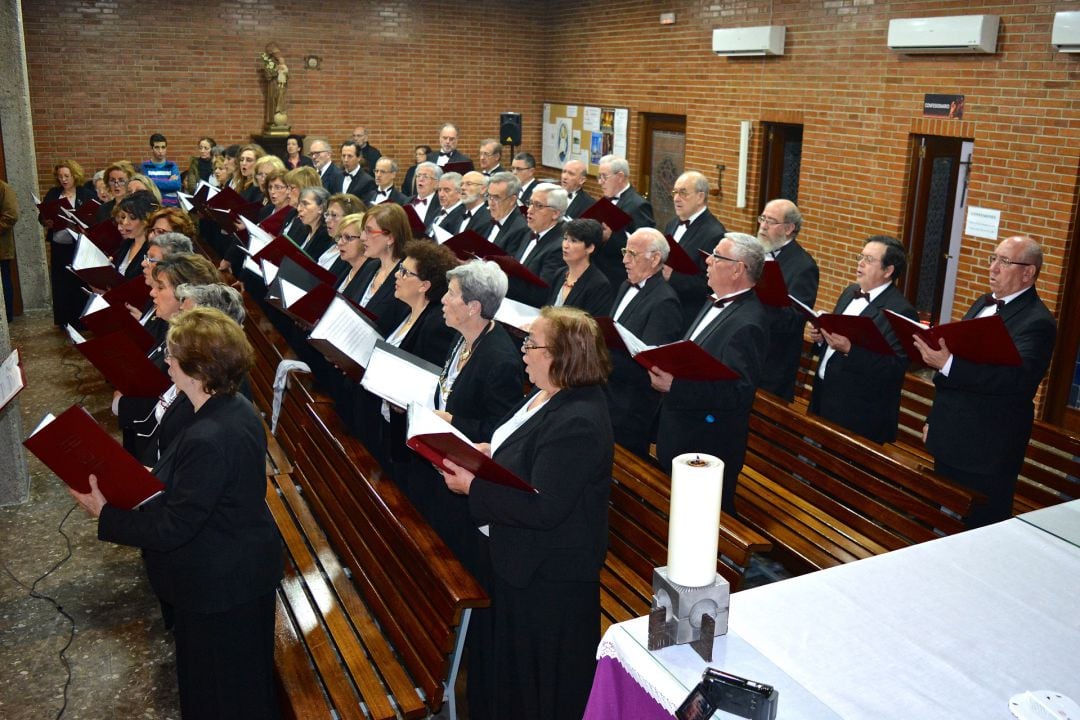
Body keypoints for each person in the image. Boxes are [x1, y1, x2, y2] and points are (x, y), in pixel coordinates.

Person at [70, 307, 282, 719]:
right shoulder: (231, 407)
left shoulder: (210, 433)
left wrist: (105, 512)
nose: (166, 360)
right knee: (238, 685)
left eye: (172, 354)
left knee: (221, 693)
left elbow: (173, 527)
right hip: (238, 566)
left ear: (198, 368)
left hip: (221, 584)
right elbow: (197, 490)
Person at [441, 305, 613, 720]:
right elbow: (521, 453)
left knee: (536, 686)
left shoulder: (579, 420)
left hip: (549, 579)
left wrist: (473, 486)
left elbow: (546, 506)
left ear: (559, 355)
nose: (522, 351)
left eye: (531, 344)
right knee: (509, 672)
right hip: (520, 558)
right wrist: (486, 452)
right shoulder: (545, 395)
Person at [915, 235, 1057, 528]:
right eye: (993, 259)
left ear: (1028, 272)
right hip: (951, 436)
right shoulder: (983, 303)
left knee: (976, 529)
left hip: (987, 448)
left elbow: (1016, 380)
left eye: (1004, 262)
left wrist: (948, 364)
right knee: (937, 520)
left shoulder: (1037, 322)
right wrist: (935, 419)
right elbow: (951, 371)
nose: (992, 268)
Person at [652, 232, 770, 513]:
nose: (707, 262)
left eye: (716, 257)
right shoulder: (714, 300)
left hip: (706, 443)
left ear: (738, 269)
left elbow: (738, 393)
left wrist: (675, 385)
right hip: (682, 429)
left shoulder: (748, 323)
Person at [808, 236, 918, 444]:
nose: (860, 263)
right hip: (823, 393)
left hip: (857, 410)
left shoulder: (901, 311)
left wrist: (850, 349)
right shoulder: (850, 292)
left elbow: (894, 368)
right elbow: (834, 340)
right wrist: (821, 339)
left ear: (888, 271)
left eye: (869, 259)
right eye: (861, 256)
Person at [379, 240, 461, 481]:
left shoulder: (436, 324)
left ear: (424, 285)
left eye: (405, 272)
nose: (398, 275)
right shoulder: (403, 309)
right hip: (384, 418)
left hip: (404, 437)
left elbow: (429, 384)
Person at [604, 227, 682, 458]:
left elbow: (648, 364)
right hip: (608, 391)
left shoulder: (665, 302)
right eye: (624, 252)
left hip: (629, 406)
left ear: (655, 258)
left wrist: (599, 362)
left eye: (632, 254)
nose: (624, 260)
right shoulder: (625, 285)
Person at [757, 198, 819, 401]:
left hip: (773, 363)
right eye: (763, 218)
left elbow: (794, 318)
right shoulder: (756, 252)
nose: (763, 226)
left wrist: (763, 296)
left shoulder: (803, 266)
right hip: (751, 351)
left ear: (789, 228)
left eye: (771, 221)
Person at [663, 171, 727, 327]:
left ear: (700, 197)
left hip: (687, 314)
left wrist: (672, 277)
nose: (676, 198)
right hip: (666, 306)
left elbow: (709, 285)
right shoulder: (671, 224)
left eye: (683, 193)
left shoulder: (714, 233)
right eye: (675, 192)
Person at [39, 159, 96, 327]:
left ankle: (82, 320)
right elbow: (42, 216)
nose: (63, 180)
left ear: (74, 176)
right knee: (61, 283)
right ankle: (64, 320)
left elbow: (93, 216)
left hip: (79, 245)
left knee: (78, 282)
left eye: (67, 176)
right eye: (60, 176)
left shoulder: (85, 194)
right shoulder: (53, 193)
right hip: (59, 244)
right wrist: (46, 221)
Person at [594, 154, 655, 286]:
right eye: (599, 177)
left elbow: (645, 246)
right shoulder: (605, 201)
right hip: (599, 271)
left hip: (619, 276)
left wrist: (611, 237)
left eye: (604, 177)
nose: (600, 182)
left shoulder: (638, 205)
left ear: (620, 176)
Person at [508, 182, 567, 306]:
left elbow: (541, 294)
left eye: (538, 206)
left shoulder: (559, 246)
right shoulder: (530, 231)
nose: (529, 210)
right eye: (530, 203)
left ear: (555, 213)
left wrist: (502, 281)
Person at [547, 218, 613, 316]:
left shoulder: (599, 284)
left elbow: (589, 326)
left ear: (590, 248)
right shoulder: (560, 273)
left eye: (573, 241)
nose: (565, 245)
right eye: (565, 239)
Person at [112, 190, 162, 281]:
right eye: (123, 217)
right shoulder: (126, 244)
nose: (125, 222)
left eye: (132, 217)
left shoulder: (153, 249)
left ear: (146, 219)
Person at [485, 171, 529, 256]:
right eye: (489, 196)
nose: (491, 203)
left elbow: (507, 265)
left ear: (512, 200)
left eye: (496, 198)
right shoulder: (488, 218)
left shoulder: (520, 229)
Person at [141, 133, 181, 207]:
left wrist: (152, 181)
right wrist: (168, 182)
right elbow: (146, 186)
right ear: (151, 148)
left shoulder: (172, 165)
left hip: (172, 208)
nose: (160, 151)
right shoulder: (145, 166)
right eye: (157, 147)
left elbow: (176, 185)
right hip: (154, 207)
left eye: (163, 147)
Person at [295, 186, 333, 260]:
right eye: (299, 204)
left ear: (321, 208)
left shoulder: (326, 237)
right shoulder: (301, 228)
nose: (299, 209)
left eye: (305, 204)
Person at [0, 179, 19, 322]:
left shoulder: (3, 188)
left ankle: (7, 316)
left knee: (4, 280)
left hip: (1, 248)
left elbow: (11, 215)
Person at [408, 161, 443, 232]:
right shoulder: (407, 201)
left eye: (425, 176)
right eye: (418, 176)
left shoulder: (441, 204)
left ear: (437, 183)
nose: (420, 179)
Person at [261, 42, 289, 130]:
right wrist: (276, 70)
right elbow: (268, 75)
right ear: (272, 54)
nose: (278, 55)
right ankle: (272, 121)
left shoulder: (281, 63)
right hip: (273, 85)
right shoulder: (269, 63)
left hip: (281, 85)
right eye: (276, 53)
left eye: (279, 52)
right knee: (273, 102)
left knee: (280, 103)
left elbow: (287, 75)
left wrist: (284, 72)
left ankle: (280, 121)